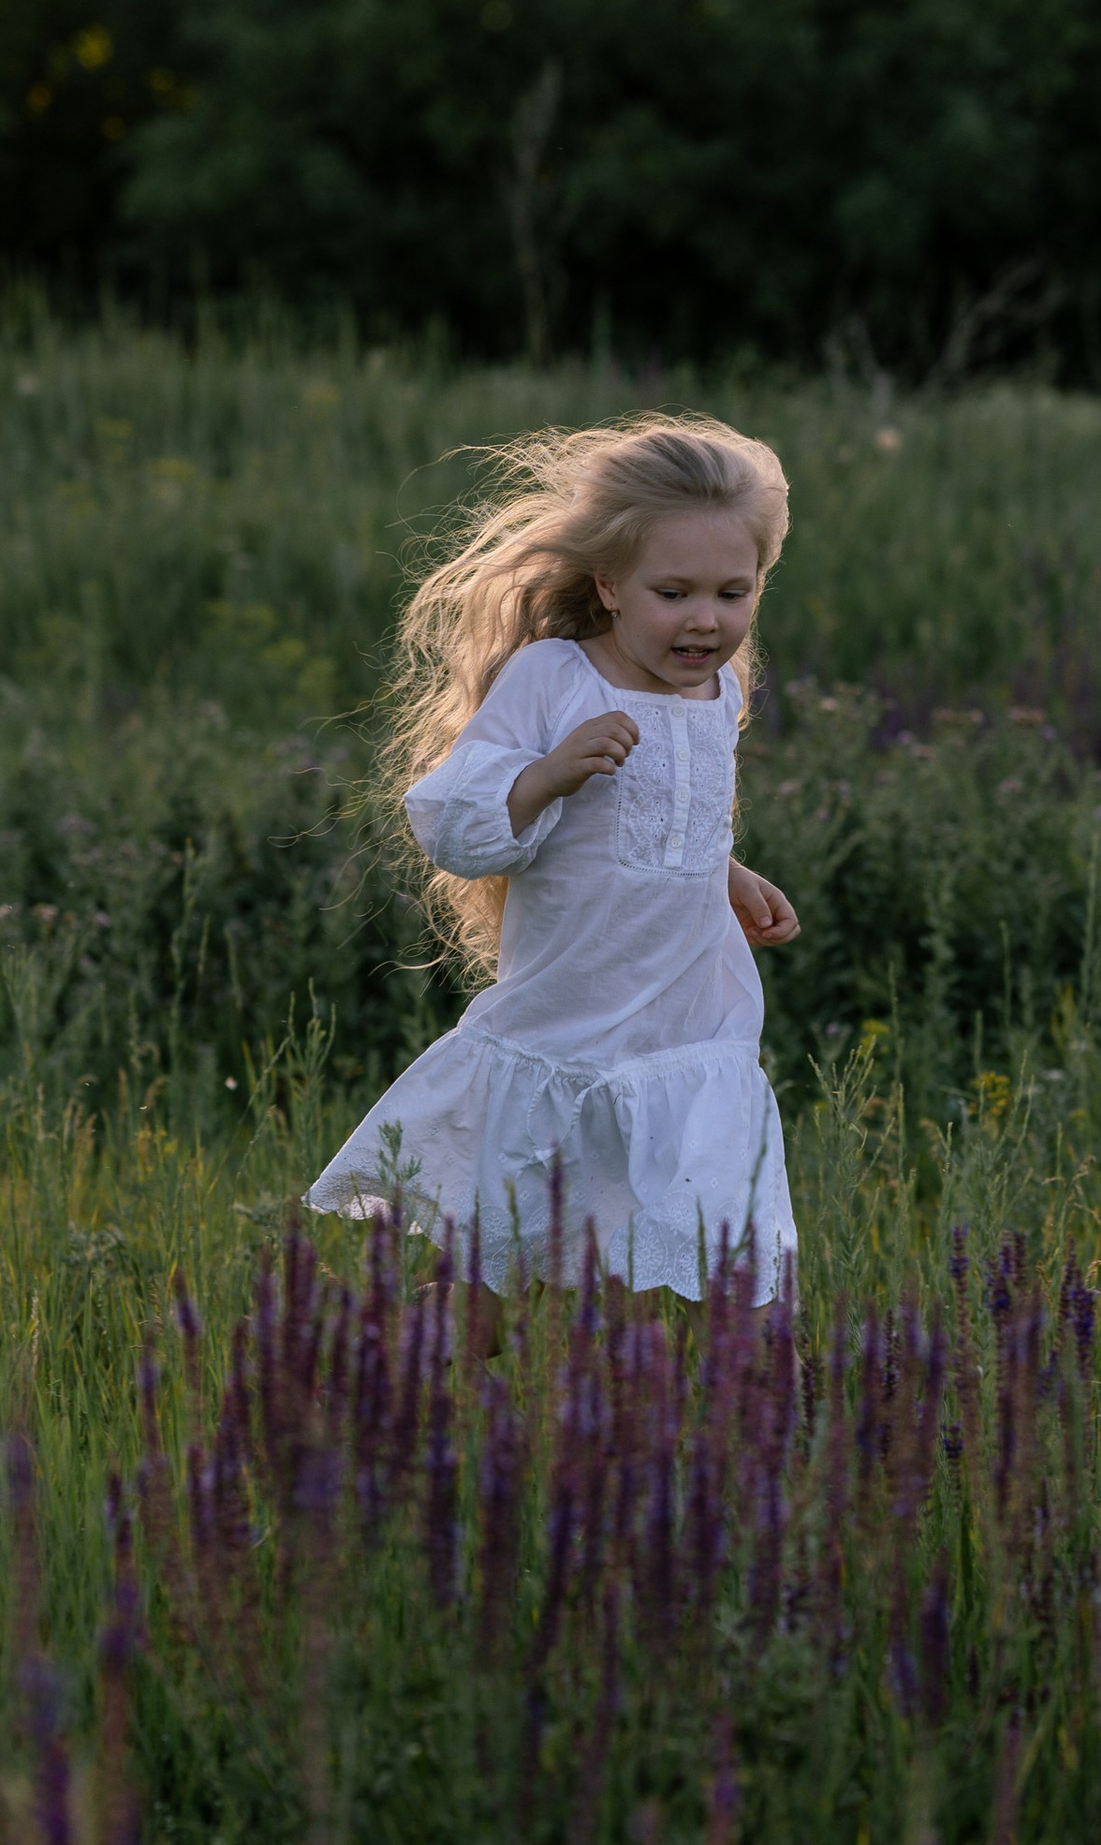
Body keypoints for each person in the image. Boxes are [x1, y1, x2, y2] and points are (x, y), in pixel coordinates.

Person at [308, 412, 800, 1314]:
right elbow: (459, 826)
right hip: (570, 1025)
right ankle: (396, 1377)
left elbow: (671, 820)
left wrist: (727, 872)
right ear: (610, 583)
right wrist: (548, 773)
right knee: (502, 1280)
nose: (706, 619)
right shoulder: (556, 677)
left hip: (686, 1031)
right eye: (675, 591)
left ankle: (604, 1423)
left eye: (734, 593)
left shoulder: (717, 687)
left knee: (645, 1272)